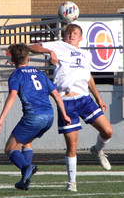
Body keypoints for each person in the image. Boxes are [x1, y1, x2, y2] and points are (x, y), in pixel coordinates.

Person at [28, 22, 113, 192]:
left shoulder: (85, 55)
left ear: (80, 38)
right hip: (66, 102)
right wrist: (50, 51)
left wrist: (98, 98)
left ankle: (97, 150)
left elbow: (88, 78)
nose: (71, 35)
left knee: (108, 131)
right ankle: (71, 182)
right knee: (72, 145)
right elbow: (31, 47)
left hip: (85, 99)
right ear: (65, 36)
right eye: (68, 32)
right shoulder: (59, 46)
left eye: (75, 33)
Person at [0, 43, 71, 191]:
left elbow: (12, 95)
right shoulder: (40, 73)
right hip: (49, 117)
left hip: (33, 117)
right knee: (27, 141)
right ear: (28, 59)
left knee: (10, 148)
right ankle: (26, 181)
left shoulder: (16, 75)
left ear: (12, 62)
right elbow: (56, 95)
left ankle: (26, 168)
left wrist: (1, 118)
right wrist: (65, 114)